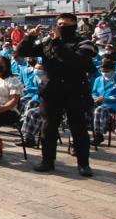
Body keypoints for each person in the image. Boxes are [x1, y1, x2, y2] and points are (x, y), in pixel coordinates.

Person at [16, 12, 98, 177]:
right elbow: (23, 51)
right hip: (51, 90)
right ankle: (47, 160)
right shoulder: (48, 41)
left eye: (66, 25)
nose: (61, 27)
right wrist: (30, 37)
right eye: (59, 24)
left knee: (78, 128)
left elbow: (74, 61)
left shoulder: (84, 43)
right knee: (48, 127)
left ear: (74, 25)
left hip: (75, 91)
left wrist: (57, 42)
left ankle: (83, 163)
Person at [90, 59, 116, 146]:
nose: (104, 73)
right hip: (99, 101)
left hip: (114, 103)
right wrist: (95, 98)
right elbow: (94, 92)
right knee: (88, 108)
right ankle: (92, 131)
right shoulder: (98, 79)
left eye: (106, 71)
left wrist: (105, 99)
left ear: (113, 70)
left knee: (99, 110)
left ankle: (99, 134)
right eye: (102, 71)